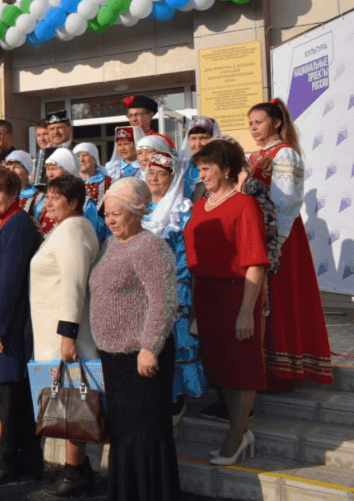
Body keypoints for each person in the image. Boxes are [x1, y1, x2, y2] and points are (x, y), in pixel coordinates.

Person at [90, 178, 181, 496]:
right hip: (115, 360)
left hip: (141, 357)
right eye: (107, 214)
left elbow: (164, 300)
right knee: (124, 434)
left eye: (118, 213)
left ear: (137, 211)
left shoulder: (151, 247)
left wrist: (150, 347)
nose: (111, 219)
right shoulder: (113, 244)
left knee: (145, 434)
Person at [184, 139, 269, 465]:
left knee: (241, 369)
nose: (201, 174)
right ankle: (239, 430)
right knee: (220, 366)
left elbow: (255, 262)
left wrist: (247, 311)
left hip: (236, 295)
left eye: (207, 168)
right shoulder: (199, 206)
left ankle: (237, 434)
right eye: (200, 168)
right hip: (204, 294)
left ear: (228, 169)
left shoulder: (244, 206)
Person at [246, 99, 333, 388]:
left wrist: (277, 244)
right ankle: (263, 367)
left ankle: (282, 371)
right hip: (261, 233)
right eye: (251, 124)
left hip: (279, 235)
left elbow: (286, 203)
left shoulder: (285, 155)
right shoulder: (255, 156)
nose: (254, 128)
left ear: (277, 123)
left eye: (259, 122)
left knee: (279, 298)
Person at [28, 174, 101, 497]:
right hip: (53, 332)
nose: (48, 202)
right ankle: (79, 468)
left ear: (73, 202)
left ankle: (74, 473)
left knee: (72, 404)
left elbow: (74, 285)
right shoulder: (65, 229)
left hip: (66, 335)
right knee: (67, 402)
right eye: (47, 197)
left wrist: (68, 335)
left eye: (55, 197)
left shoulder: (73, 230)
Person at [0, 167, 42, 485]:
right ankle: (27, 461)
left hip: (9, 328)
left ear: (14, 194)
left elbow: (10, 281)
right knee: (13, 396)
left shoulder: (16, 226)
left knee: (11, 398)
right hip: (7, 325)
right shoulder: (11, 224)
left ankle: (6, 461)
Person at [142, 152, 205, 423]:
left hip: (172, 287)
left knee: (175, 340)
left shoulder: (182, 211)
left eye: (162, 174)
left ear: (173, 177)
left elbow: (184, 254)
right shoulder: (140, 206)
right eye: (151, 173)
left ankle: (177, 399)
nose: (155, 178)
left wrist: (177, 288)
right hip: (141, 290)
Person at [32, 149, 106, 242]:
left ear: (68, 170)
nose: (50, 174)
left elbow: (92, 237)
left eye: (54, 169)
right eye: (48, 169)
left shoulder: (85, 204)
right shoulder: (42, 202)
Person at [73, 142, 111, 207]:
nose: (81, 160)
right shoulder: (71, 182)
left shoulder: (108, 182)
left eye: (85, 155)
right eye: (78, 156)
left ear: (94, 159)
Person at [30, 118, 51, 188]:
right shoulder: (38, 155)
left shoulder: (57, 154)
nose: (42, 139)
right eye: (38, 135)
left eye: (45, 134)